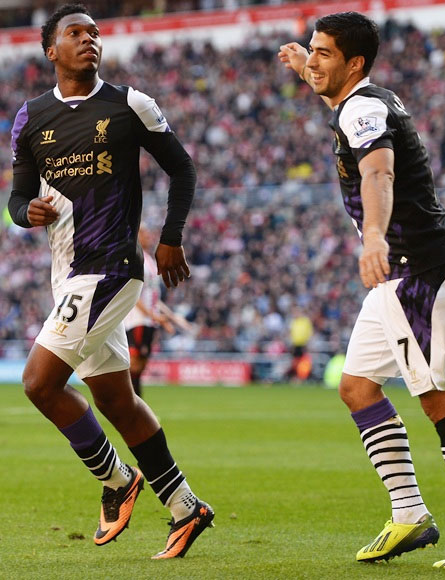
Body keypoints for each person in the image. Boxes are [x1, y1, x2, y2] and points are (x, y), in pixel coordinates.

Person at [278, 12, 445, 569]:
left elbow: (378, 173)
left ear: (354, 63)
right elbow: (342, 113)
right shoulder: (361, 101)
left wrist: (374, 238)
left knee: (440, 401)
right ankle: (410, 516)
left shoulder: (361, 109)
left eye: (323, 53)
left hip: (417, 274)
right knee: (358, 386)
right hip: (399, 276)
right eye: (309, 50)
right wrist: (302, 70)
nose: (312, 59)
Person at [8, 4, 213, 559]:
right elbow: (15, 198)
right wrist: (26, 212)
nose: (89, 39)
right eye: (75, 33)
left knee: (39, 384)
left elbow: (184, 168)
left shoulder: (129, 105)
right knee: (117, 400)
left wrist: (171, 236)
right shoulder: (31, 117)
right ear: (51, 49)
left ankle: (119, 481)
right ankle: (184, 506)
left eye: (94, 33)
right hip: (66, 271)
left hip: (110, 266)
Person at [124, 225, 194, 397]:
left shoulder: (149, 260)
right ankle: (129, 403)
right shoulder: (134, 258)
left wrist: (170, 317)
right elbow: (132, 294)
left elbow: (153, 297)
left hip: (149, 321)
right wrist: (155, 316)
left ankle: (134, 404)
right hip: (137, 320)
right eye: (143, 233)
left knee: (141, 365)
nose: (148, 236)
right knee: (134, 363)